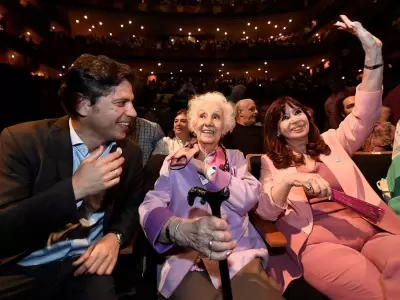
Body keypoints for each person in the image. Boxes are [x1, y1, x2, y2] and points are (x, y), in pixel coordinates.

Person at [256, 16, 400, 299]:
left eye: (297, 112)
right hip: (319, 244)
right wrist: (293, 181)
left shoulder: (333, 141)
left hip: (371, 230)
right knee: (370, 292)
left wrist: (372, 53)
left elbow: (365, 112)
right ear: (277, 130)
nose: (295, 120)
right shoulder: (270, 162)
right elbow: (265, 211)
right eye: (284, 118)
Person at [0, 54, 144, 300]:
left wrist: (115, 237)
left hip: (85, 266)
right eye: (121, 103)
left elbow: (131, 206)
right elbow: (5, 227)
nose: (132, 112)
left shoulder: (129, 153)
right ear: (83, 105)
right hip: (21, 268)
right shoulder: (22, 141)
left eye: (131, 102)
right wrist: (76, 189)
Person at [139, 92, 282, 300]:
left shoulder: (236, 158)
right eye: (202, 116)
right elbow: (152, 203)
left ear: (225, 126)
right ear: (194, 124)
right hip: (188, 260)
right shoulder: (173, 161)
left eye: (216, 117)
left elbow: (249, 198)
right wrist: (177, 228)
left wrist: (205, 168)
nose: (208, 123)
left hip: (238, 254)